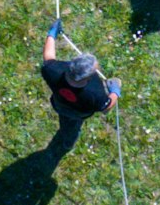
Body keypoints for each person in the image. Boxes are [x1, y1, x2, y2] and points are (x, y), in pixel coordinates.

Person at [40, 20, 118, 148]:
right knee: (72, 127)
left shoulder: (54, 71)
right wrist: (115, 92)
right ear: (87, 78)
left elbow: (48, 57)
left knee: (64, 121)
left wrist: (51, 34)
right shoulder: (95, 92)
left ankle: (67, 137)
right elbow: (106, 108)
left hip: (59, 104)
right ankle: (68, 141)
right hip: (78, 114)